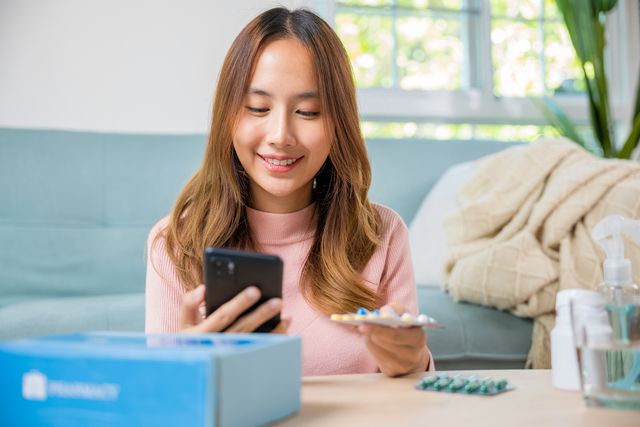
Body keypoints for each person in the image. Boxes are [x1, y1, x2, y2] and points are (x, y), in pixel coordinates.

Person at [145, 7, 433, 377]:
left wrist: (413, 362)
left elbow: (413, 388)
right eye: (258, 107)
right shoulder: (175, 242)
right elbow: (161, 402)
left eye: (308, 111)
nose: (281, 135)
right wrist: (183, 370)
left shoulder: (382, 233)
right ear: (228, 116)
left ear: (338, 124)